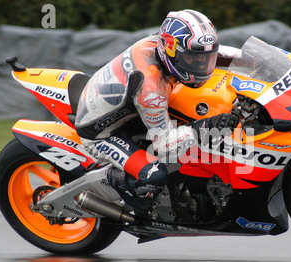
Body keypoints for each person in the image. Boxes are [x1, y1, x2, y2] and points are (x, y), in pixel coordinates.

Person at [74, 9, 239, 215]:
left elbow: (224, 53)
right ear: (171, 50)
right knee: (153, 176)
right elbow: (164, 145)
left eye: (206, 58)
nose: (202, 65)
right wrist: (206, 127)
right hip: (102, 132)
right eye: (193, 59)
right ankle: (115, 185)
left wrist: (256, 63)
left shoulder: (163, 44)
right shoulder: (151, 90)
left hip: (126, 107)